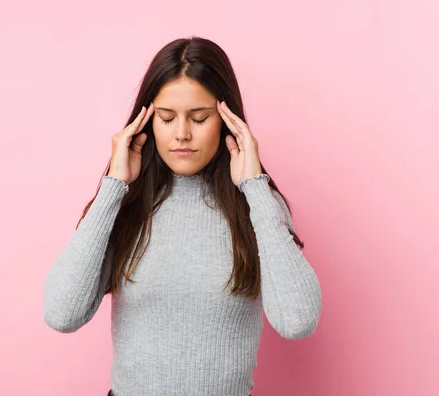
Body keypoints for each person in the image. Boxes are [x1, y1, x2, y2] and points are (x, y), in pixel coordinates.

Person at [43, 36, 322, 396]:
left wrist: (255, 186)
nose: (182, 134)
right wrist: (113, 186)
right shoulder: (125, 204)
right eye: (166, 117)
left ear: (227, 120)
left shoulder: (258, 206)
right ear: (148, 120)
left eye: (200, 118)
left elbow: (297, 320)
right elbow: (62, 314)